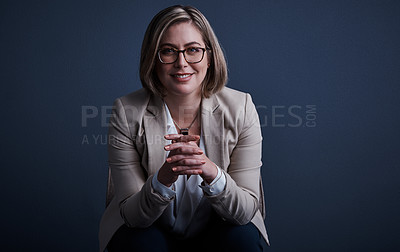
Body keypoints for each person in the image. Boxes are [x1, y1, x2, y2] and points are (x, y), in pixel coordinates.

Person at [99, 5, 269, 252]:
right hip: (149, 231)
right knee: (139, 244)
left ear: (209, 57)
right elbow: (134, 216)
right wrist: (163, 178)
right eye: (168, 51)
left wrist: (211, 172)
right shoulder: (126, 111)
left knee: (242, 239)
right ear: (153, 59)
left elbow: (244, 212)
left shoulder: (241, 107)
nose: (182, 63)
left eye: (193, 50)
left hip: (219, 229)